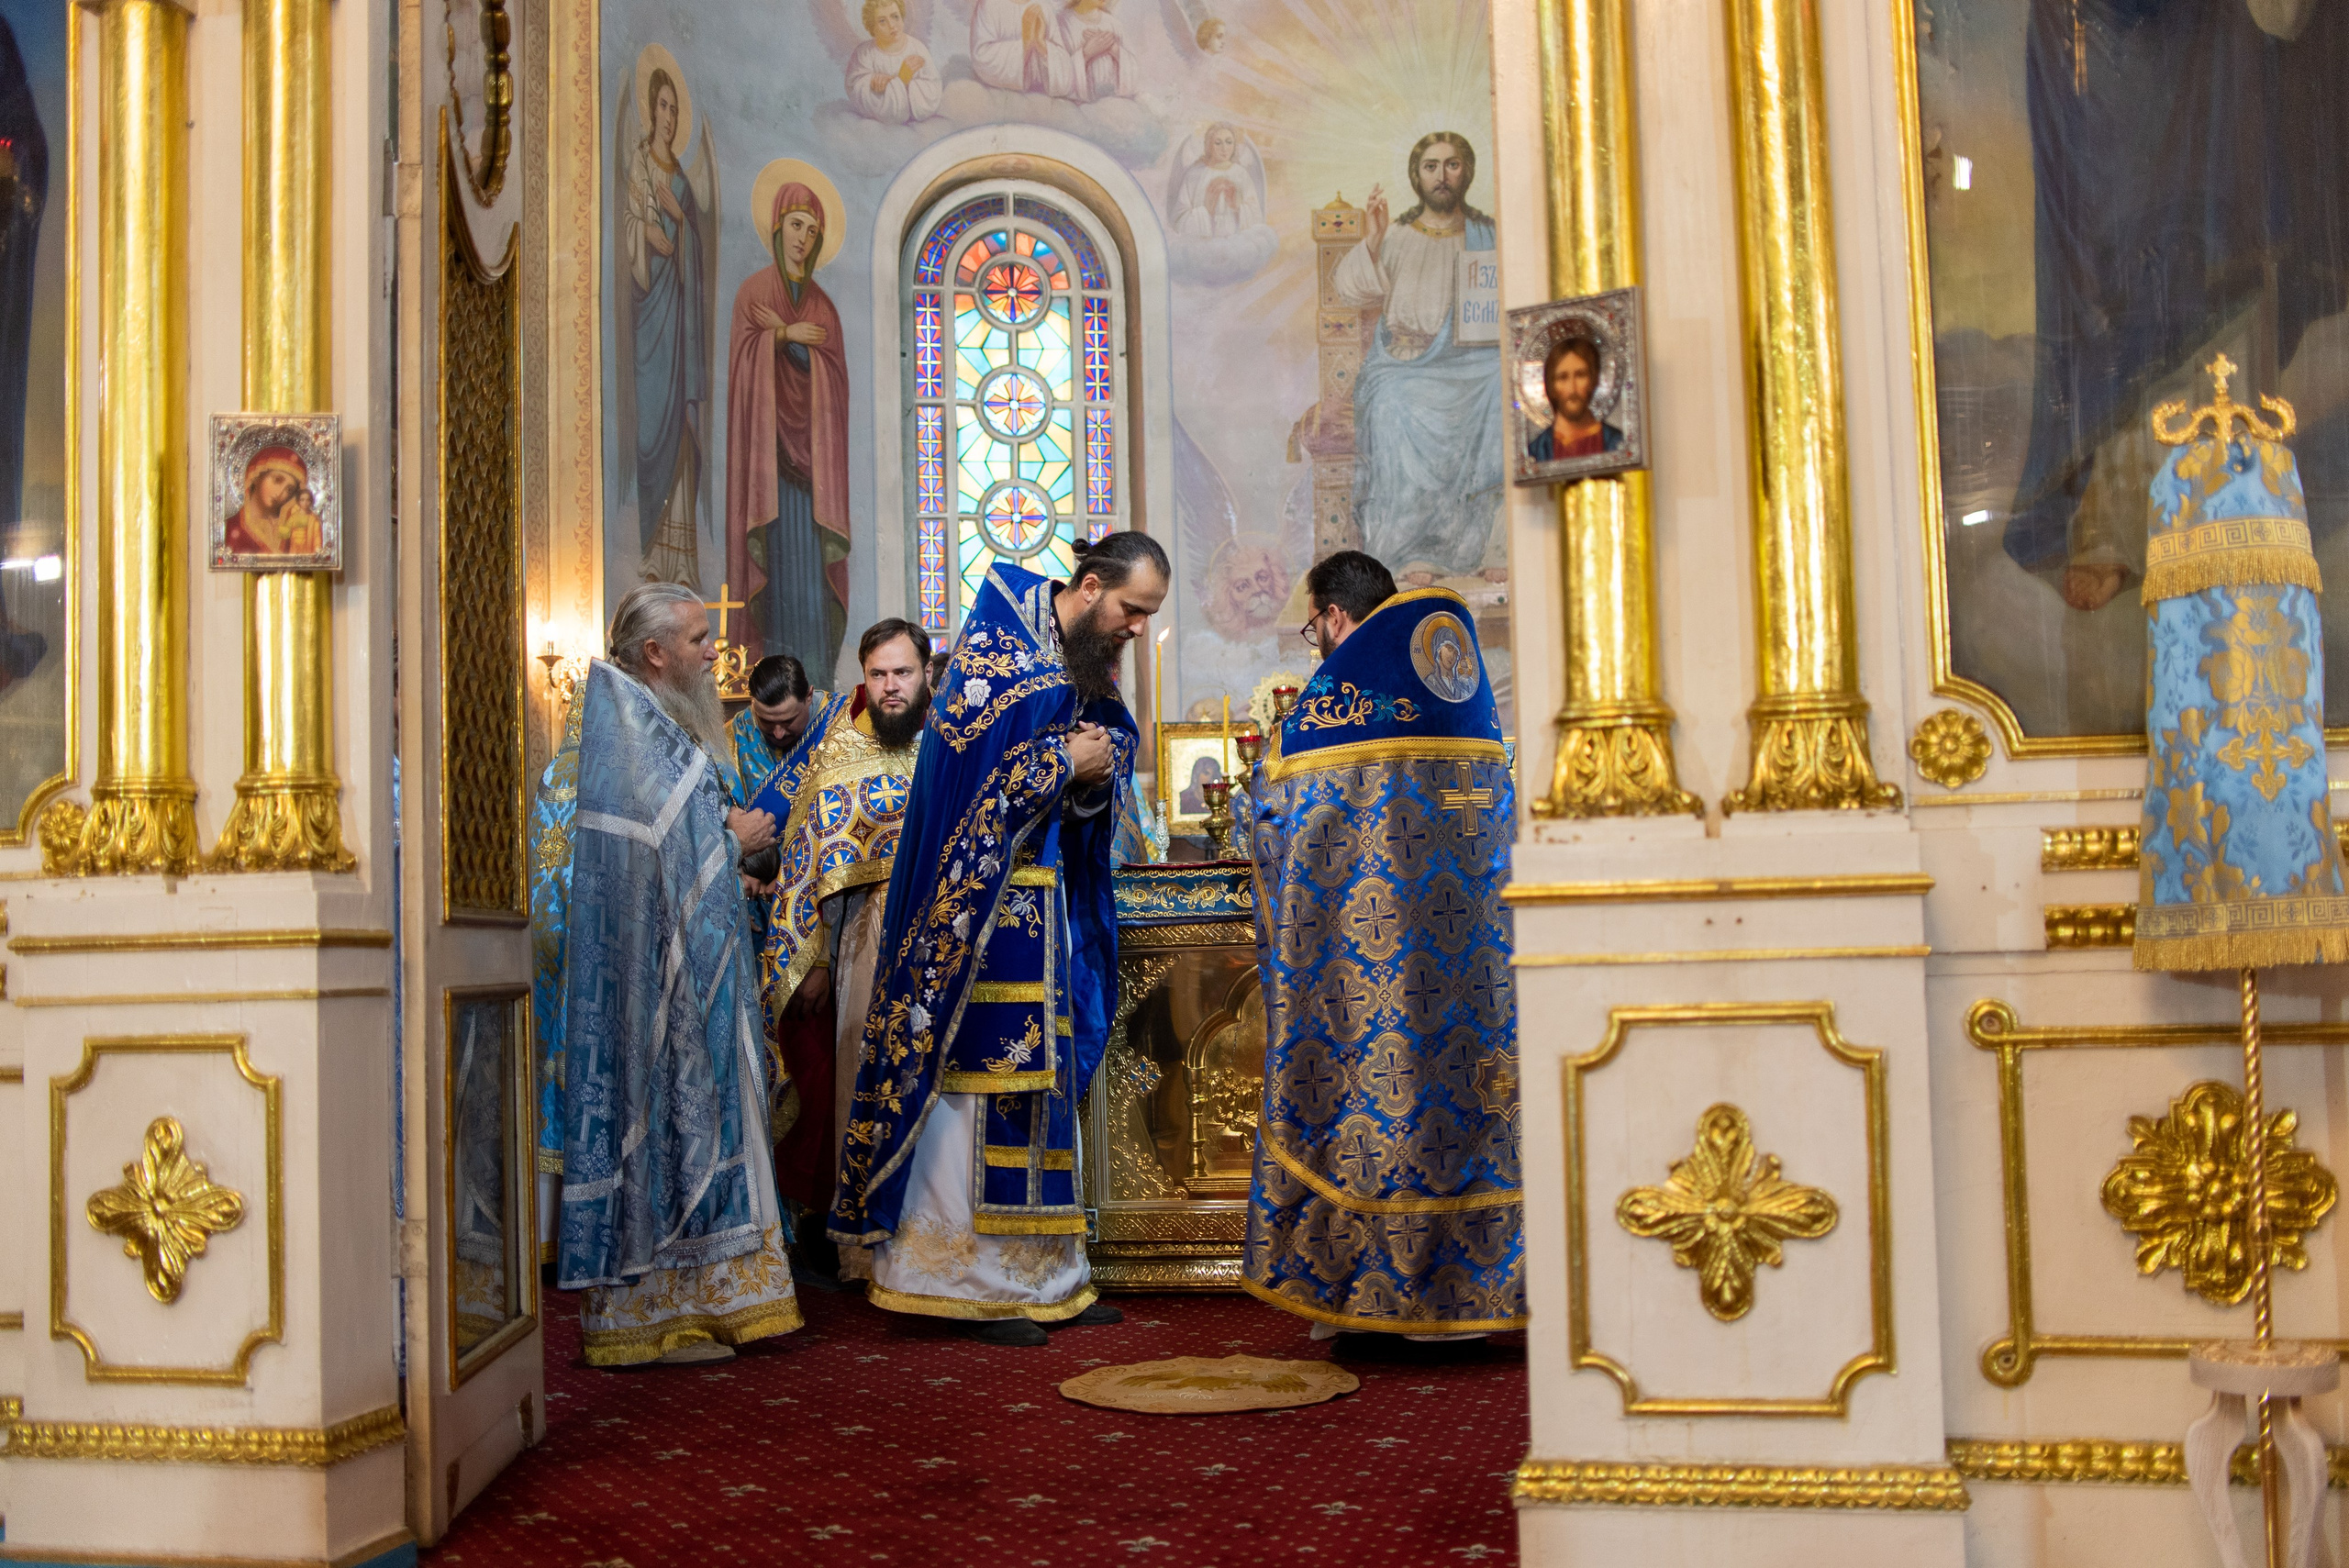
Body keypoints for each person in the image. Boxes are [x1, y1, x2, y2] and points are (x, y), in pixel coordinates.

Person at [830, 532, 1167, 1344]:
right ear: (1089, 587)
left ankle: (1048, 1273)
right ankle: (960, 1280)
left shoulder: (1074, 663)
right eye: (1131, 610)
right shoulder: (996, 660)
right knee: (977, 1089)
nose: (1135, 630)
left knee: (1038, 1087)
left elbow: (1100, 755)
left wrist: (1090, 764)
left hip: (1039, 912)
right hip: (973, 923)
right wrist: (1062, 762)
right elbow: (975, 794)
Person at [1241, 550, 1524, 1340]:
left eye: (1313, 627)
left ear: (1333, 616)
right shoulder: (1466, 695)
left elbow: (1273, 830)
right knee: (1466, 1110)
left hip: (1361, 980)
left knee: (1373, 1109)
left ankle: (1368, 1299)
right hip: (1472, 974)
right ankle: (1478, 1301)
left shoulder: (1332, 710)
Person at [553, 584, 798, 1367]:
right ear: (654, 652)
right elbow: (654, 860)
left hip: (704, 968)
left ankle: (718, 1301)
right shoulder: (631, 731)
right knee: (668, 1125)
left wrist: (728, 842)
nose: (710, 653)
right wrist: (735, 837)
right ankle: (660, 1309)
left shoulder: (660, 726)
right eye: (696, 639)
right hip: (661, 976)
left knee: (716, 1118)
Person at [763, 618, 931, 1280]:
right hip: (864, 943)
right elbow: (806, 862)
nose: (891, 687)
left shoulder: (953, 748)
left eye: (903, 673)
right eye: (879, 675)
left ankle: (932, 1243)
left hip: (945, 939)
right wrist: (818, 958)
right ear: (863, 679)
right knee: (863, 1078)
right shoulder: (839, 752)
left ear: (926, 673)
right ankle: (864, 1247)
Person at [1331, 133, 1505, 583]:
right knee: (1391, 403)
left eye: (1451, 165)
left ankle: (1489, 545)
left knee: (1500, 384)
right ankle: (1407, 549)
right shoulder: (1400, 237)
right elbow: (1350, 288)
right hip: (1404, 365)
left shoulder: (1487, 235)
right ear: (1417, 175)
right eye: (1431, 166)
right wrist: (1372, 239)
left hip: (1469, 366)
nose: (1442, 176)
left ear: (1466, 171)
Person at [727, 180, 851, 675]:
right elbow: (742, 368)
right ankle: (769, 677)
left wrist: (799, 346)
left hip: (812, 478)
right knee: (776, 576)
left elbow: (835, 386)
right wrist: (780, 335)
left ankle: (816, 683)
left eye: (813, 231)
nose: (803, 238)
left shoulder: (824, 309)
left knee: (810, 586)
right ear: (778, 229)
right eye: (796, 225)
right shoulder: (754, 293)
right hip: (769, 469)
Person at [618, 60, 714, 587]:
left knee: (681, 424)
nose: (670, 116)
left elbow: (693, 243)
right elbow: (632, 223)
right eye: (662, 105)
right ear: (649, 110)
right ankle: (652, 553)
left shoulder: (679, 178)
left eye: (676, 109)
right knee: (654, 419)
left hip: (680, 318)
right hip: (650, 313)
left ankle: (679, 559)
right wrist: (646, 237)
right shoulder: (639, 165)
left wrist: (679, 224)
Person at [731, 652, 848, 813]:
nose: (778, 733)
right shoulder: (735, 734)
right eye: (766, 721)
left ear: (808, 696)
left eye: (788, 721)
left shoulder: (843, 720)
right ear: (753, 703)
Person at [1526, 336, 1622, 462]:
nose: (1572, 389)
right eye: (1562, 377)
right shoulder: (1536, 452)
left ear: (1593, 380)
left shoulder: (1616, 443)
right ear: (1551, 385)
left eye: (1580, 375)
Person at [844, 0, 942, 124]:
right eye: (882, 21)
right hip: (879, 128)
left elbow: (933, 88)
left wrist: (899, 83)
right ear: (872, 26)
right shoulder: (864, 53)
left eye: (895, 17)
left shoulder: (917, 48)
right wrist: (872, 81)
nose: (892, 25)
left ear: (901, 17)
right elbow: (855, 89)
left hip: (917, 125)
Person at [223, 447, 325, 557]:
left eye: (289, 489)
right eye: (277, 480)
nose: (281, 492)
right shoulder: (231, 527)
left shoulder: (292, 528)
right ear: (257, 475)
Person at [969, 0, 1075, 95]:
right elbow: (981, 57)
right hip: (1000, 95)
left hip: (1039, 100)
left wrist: (1041, 44)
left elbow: (1065, 76)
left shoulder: (1043, 7)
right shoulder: (990, 4)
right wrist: (1026, 44)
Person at [1055, 0, 1135, 102]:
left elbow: (1134, 69)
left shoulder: (1113, 23)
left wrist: (1113, 48)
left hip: (1112, 103)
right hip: (1078, 106)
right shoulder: (1062, 23)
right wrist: (1085, 54)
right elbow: (1057, 74)